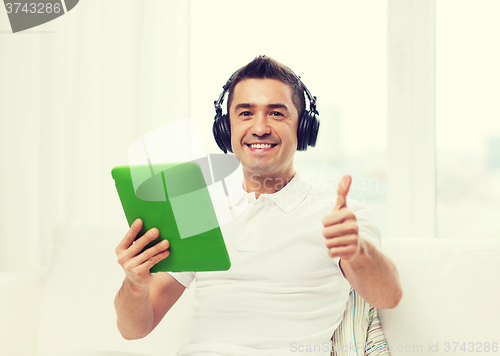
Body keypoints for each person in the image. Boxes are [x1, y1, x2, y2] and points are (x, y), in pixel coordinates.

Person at [114, 56, 402, 355]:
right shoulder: (199, 211)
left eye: (276, 113)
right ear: (226, 128)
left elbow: (387, 296)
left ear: (303, 128)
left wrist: (357, 250)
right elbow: (133, 329)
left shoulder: (339, 215)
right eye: (245, 113)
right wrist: (134, 283)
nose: (260, 127)